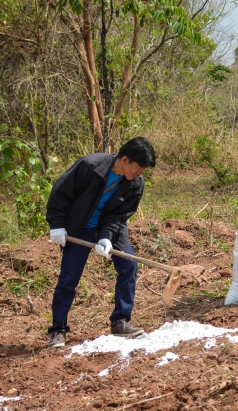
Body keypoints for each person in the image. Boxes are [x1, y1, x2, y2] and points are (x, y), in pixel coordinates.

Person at [45, 137, 156, 348]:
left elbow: (119, 215)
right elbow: (61, 193)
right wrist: (57, 224)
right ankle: (58, 329)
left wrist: (106, 235)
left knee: (129, 266)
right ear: (125, 159)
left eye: (144, 169)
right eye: (139, 167)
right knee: (69, 278)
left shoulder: (135, 183)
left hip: (112, 228)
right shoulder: (90, 166)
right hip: (80, 227)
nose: (140, 173)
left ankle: (120, 322)